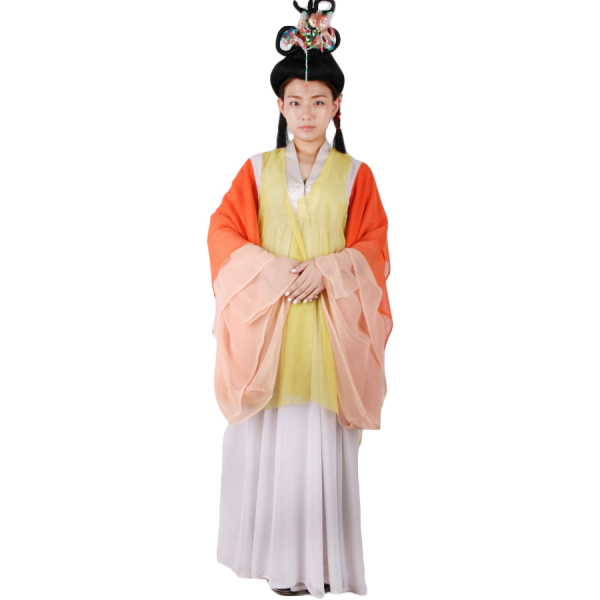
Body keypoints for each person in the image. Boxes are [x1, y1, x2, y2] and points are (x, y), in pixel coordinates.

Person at [207, 1, 393, 597]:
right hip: (274, 335)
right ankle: (277, 565)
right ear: (280, 106)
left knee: (318, 439)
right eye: (295, 102)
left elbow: (374, 248)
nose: (306, 113)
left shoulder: (357, 175)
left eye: (318, 101)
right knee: (273, 439)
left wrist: (331, 270)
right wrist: (274, 271)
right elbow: (222, 234)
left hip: (328, 341)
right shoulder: (256, 170)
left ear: (337, 105)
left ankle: (319, 565)